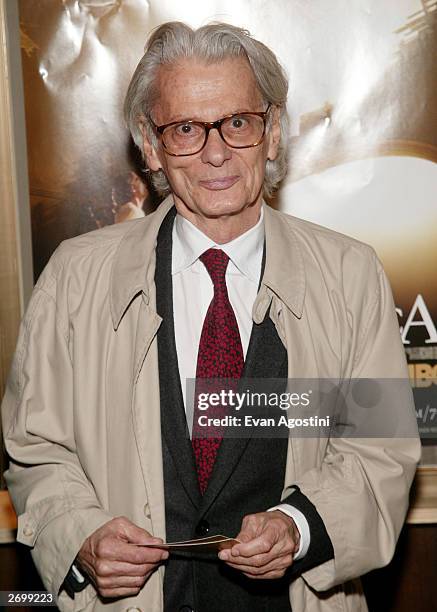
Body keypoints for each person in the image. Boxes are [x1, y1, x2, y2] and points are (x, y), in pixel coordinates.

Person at [1, 21, 420, 612]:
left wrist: (299, 527)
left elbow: (378, 452)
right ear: (151, 145)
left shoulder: (350, 277)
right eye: (186, 129)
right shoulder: (76, 278)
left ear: (272, 133)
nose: (216, 151)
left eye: (238, 123)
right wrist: (80, 534)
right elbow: (37, 447)